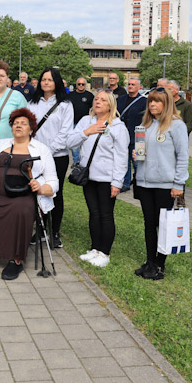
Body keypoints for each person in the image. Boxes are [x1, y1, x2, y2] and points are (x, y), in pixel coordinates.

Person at [0, 108, 58, 280]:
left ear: (31, 129)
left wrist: (41, 187)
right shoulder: (0, 145)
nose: (18, 126)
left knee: (20, 210)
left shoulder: (41, 149)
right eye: (15, 123)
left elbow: (53, 181)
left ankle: (15, 259)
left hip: (22, 195)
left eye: (23, 123)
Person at [67, 90, 129, 267]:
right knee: (93, 213)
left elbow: (121, 156)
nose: (98, 102)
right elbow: (70, 142)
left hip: (107, 178)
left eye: (103, 100)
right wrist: (87, 132)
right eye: (96, 99)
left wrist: (117, 182)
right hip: (88, 177)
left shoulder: (118, 127)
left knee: (106, 215)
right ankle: (95, 249)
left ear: (110, 105)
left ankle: (105, 253)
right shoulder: (86, 121)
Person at [133, 88, 189, 281]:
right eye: (151, 101)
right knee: (149, 224)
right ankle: (150, 261)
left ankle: (159, 264)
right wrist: (137, 155)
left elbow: (183, 156)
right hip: (144, 183)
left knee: (163, 225)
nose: (153, 105)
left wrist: (178, 184)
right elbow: (143, 152)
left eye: (157, 101)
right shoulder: (145, 125)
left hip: (165, 185)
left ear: (167, 104)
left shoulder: (176, 126)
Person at [29, 67, 75, 248]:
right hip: (35, 157)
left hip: (57, 156)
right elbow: (28, 127)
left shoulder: (65, 105)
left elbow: (65, 132)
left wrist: (47, 151)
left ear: (56, 82)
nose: (46, 82)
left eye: (50, 79)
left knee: (55, 193)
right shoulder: (32, 103)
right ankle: (40, 230)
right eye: (43, 79)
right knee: (37, 192)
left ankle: (55, 232)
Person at [120, 77, 147, 192]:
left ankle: (140, 184)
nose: (130, 86)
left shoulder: (144, 101)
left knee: (138, 162)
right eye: (129, 84)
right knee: (124, 161)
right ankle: (125, 183)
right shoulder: (121, 99)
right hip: (123, 136)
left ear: (139, 87)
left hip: (138, 137)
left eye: (133, 84)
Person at [68, 77, 95, 165]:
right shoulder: (70, 95)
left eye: (83, 84)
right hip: (73, 123)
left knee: (86, 144)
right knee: (74, 146)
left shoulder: (90, 95)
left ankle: (84, 162)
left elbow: (93, 109)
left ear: (85, 85)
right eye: (79, 84)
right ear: (76, 85)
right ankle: (76, 162)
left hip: (86, 124)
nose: (81, 85)